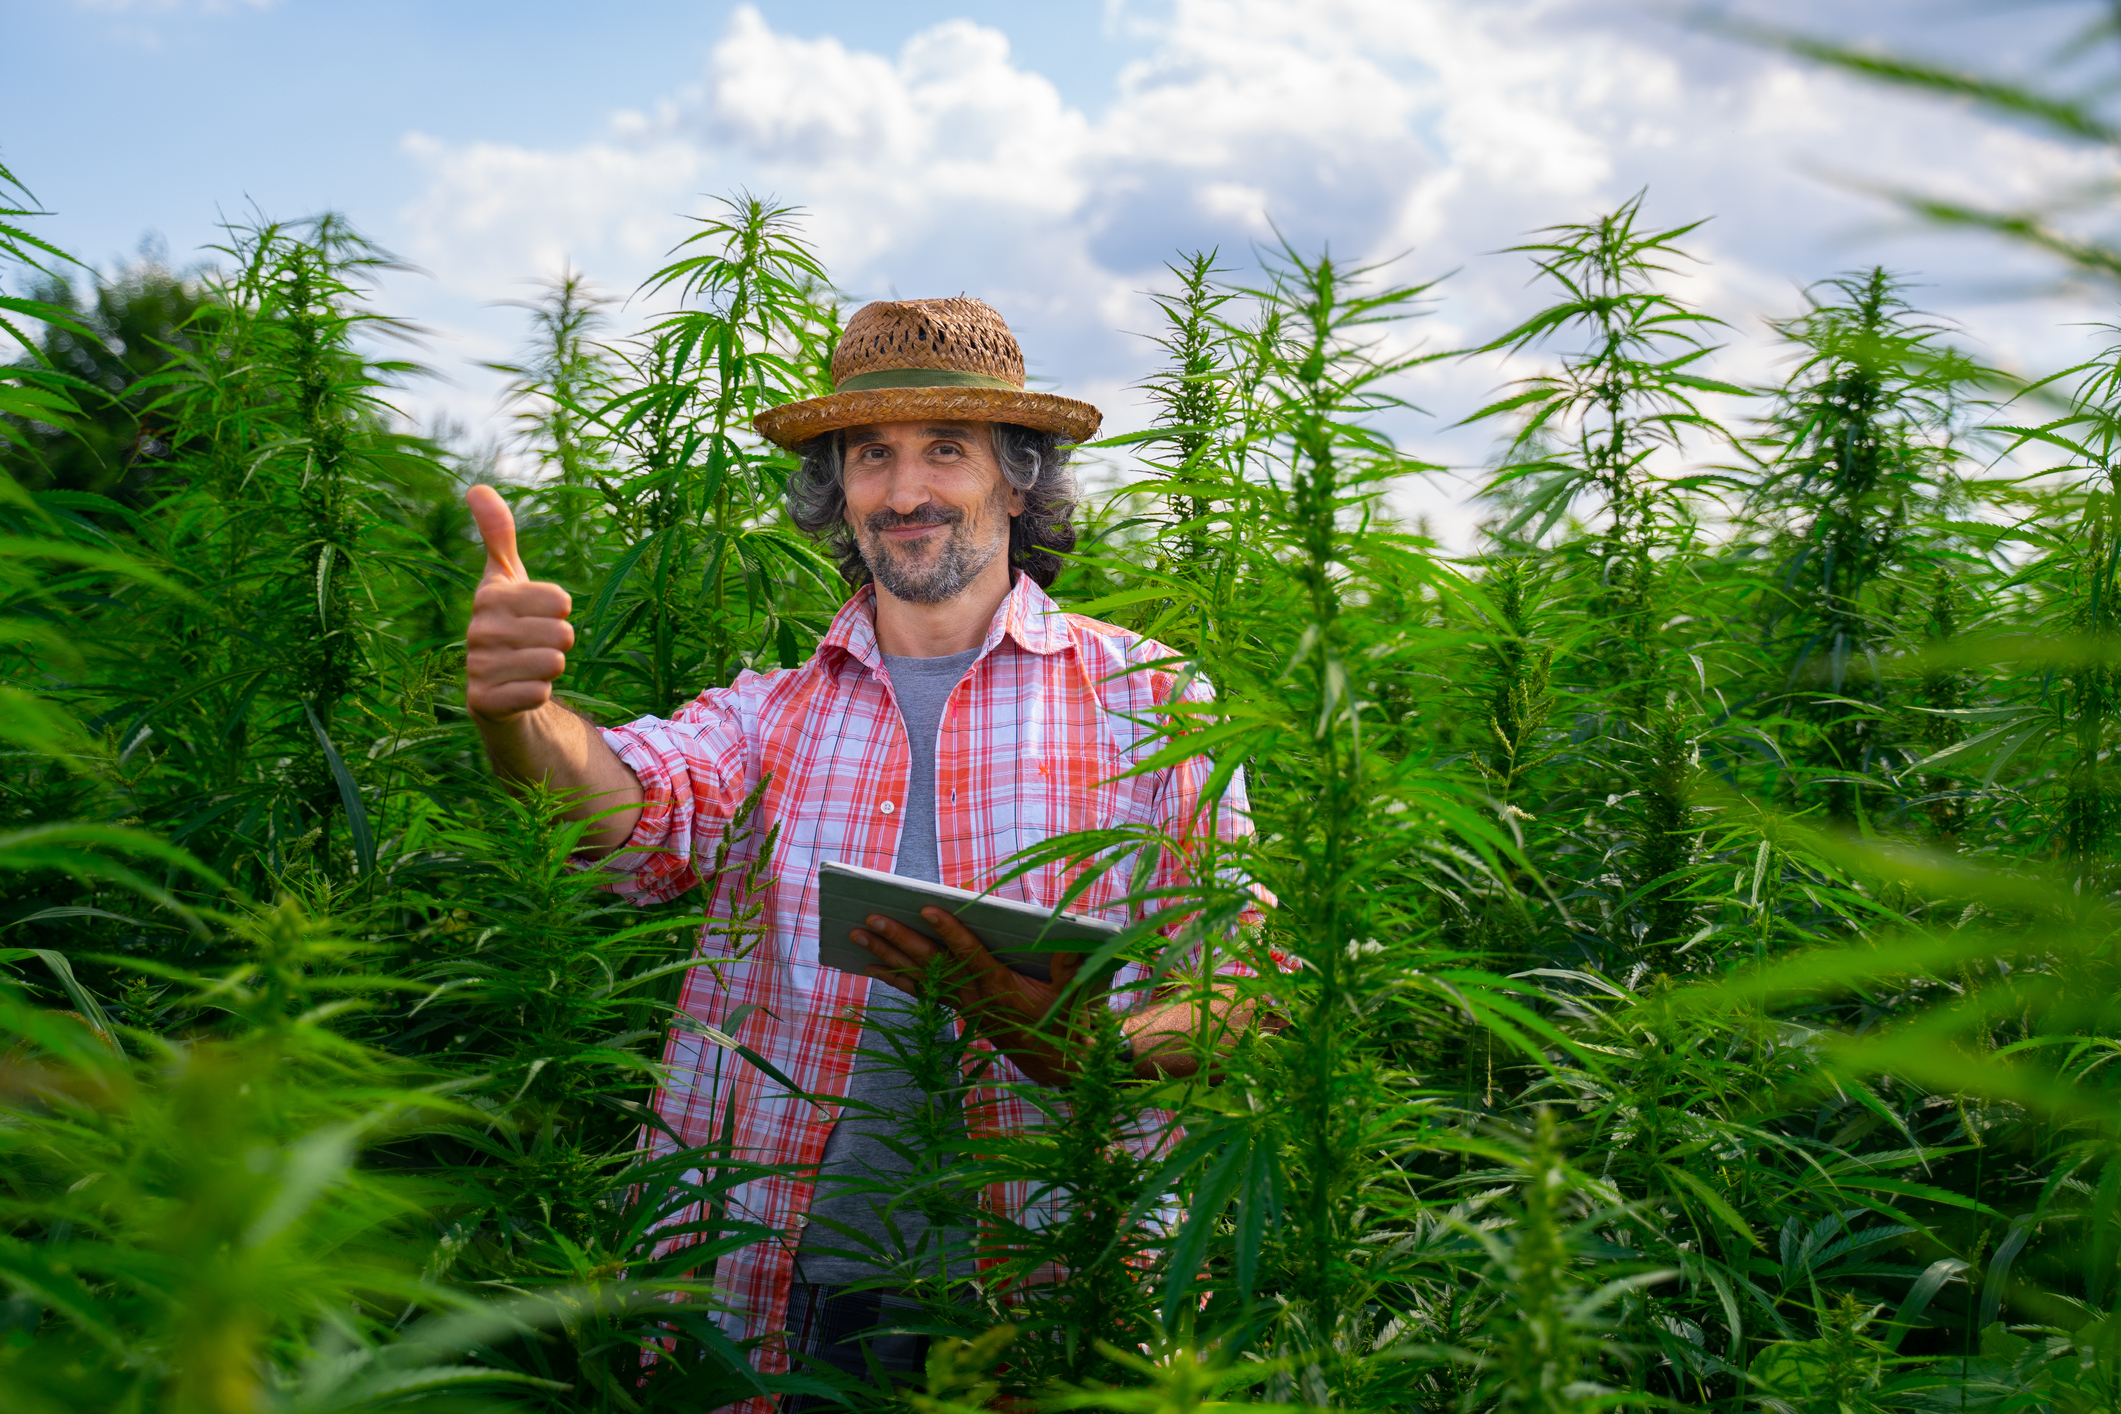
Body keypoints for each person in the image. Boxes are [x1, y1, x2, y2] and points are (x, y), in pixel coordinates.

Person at [462, 296, 1255, 1408]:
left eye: (947, 449)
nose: (906, 489)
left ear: (1019, 478)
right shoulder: (770, 713)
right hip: (796, 1290)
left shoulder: (1147, 696)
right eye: (870, 455)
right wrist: (518, 713)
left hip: (1059, 1280)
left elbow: (1240, 986)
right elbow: (625, 814)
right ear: (837, 491)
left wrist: (1091, 1051)